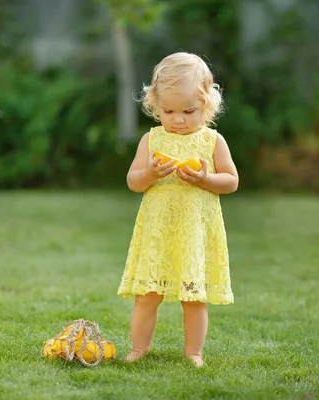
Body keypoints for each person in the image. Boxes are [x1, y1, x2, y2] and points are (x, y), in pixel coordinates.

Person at [117, 52, 238, 368]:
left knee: (193, 296)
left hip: (194, 232)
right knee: (147, 295)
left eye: (188, 111)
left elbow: (231, 181)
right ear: (155, 105)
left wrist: (205, 178)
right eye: (168, 110)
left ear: (207, 105)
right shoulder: (152, 139)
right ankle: (138, 349)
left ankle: (194, 352)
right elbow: (133, 180)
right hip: (159, 230)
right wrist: (150, 174)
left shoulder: (212, 141)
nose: (178, 119)